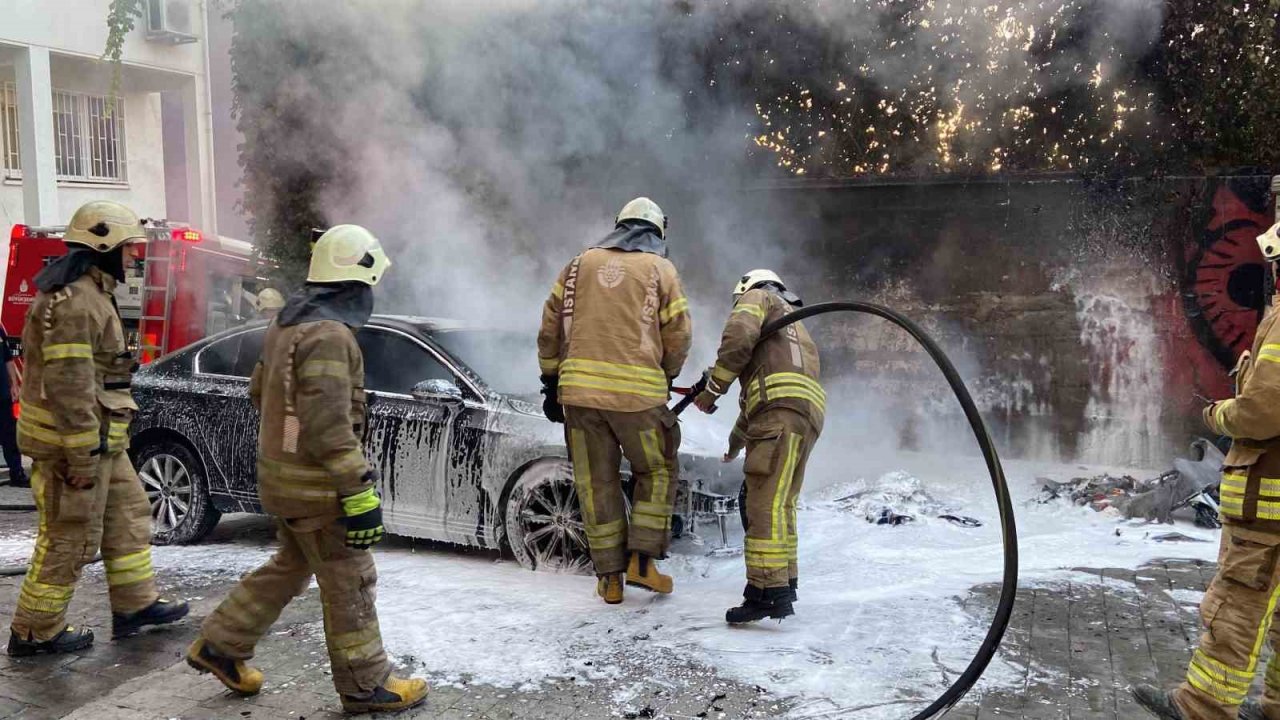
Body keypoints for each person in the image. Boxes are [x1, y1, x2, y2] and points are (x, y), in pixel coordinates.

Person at [186, 225, 428, 714]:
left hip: (282, 481)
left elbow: (263, 394)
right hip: (319, 493)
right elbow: (329, 427)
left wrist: (291, 436)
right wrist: (358, 495)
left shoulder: (287, 325)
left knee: (291, 566)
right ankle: (366, 686)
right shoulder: (330, 335)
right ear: (355, 283)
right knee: (350, 580)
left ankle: (220, 645)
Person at [7, 201, 189, 656]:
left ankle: (134, 605)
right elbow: (70, 388)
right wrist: (82, 457)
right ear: (103, 245)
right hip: (76, 446)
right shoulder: (77, 303)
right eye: (128, 250)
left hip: (104, 440)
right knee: (69, 536)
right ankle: (34, 631)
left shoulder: (89, 291)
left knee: (127, 516)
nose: (134, 259)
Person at [1132, 222, 1280, 720]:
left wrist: (1219, 414)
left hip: (1270, 500)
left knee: (1238, 604)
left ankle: (1201, 708)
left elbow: (1264, 409)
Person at [536, 197, 692, 604]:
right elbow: (678, 334)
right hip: (639, 399)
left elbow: (550, 326)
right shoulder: (661, 269)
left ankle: (609, 580)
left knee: (595, 482)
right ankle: (642, 562)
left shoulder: (577, 265)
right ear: (657, 232)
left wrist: (551, 382)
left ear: (618, 225)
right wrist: (667, 372)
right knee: (656, 470)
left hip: (581, 400)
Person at [694, 269, 824, 624]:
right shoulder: (797, 328)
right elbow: (757, 400)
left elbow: (737, 340)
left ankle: (765, 594)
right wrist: (736, 446)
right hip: (803, 418)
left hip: (779, 416)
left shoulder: (759, 297)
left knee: (762, 504)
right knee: (782, 503)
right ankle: (785, 583)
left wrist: (712, 390)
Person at [0, 322, 28, 488]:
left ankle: (16, 473)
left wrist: (14, 385)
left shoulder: (0, 328)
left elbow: (8, 358)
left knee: (10, 436)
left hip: (3, 394)